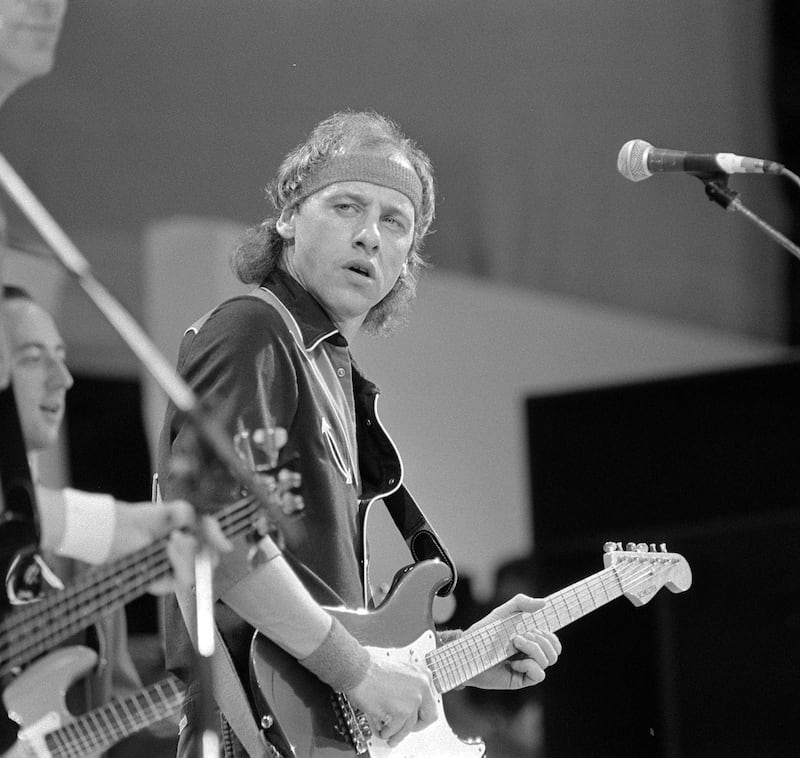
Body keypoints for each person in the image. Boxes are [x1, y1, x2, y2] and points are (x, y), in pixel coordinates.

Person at [158, 110, 563, 756]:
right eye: (347, 206)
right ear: (288, 216)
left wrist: (462, 654)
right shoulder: (253, 331)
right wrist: (364, 676)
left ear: (407, 258)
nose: (370, 236)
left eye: (394, 222)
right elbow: (216, 540)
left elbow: (328, 613)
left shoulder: (329, 370)